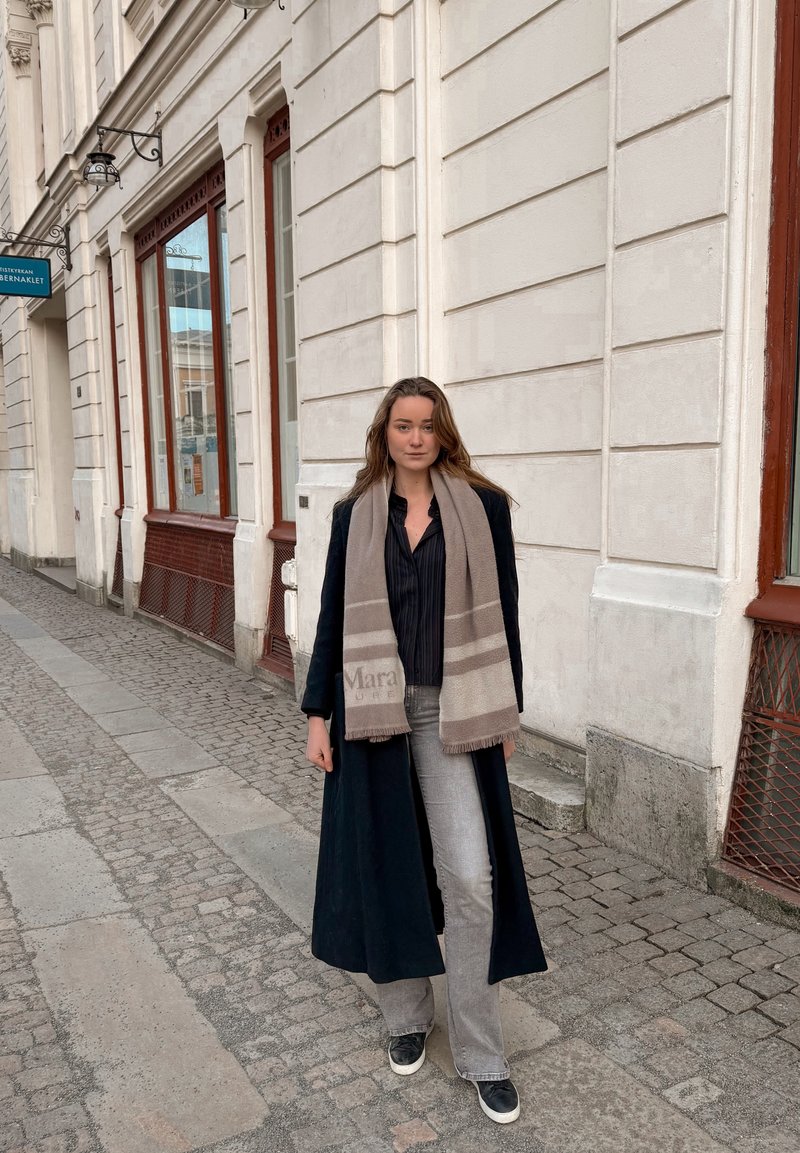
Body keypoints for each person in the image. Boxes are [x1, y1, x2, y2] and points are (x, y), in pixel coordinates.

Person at [301, 376, 546, 1125]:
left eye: (427, 425)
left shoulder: (484, 508)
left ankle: (480, 1051)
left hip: (455, 707)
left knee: (471, 877)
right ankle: (406, 1014)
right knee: (387, 866)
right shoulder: (354, 515)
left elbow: (504, 612)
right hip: (370, 706)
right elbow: (333, 614)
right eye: (402, 424)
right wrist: (317, 712)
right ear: (384, 433)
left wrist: (509, 713)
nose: (415, 437)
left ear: (443, 432)